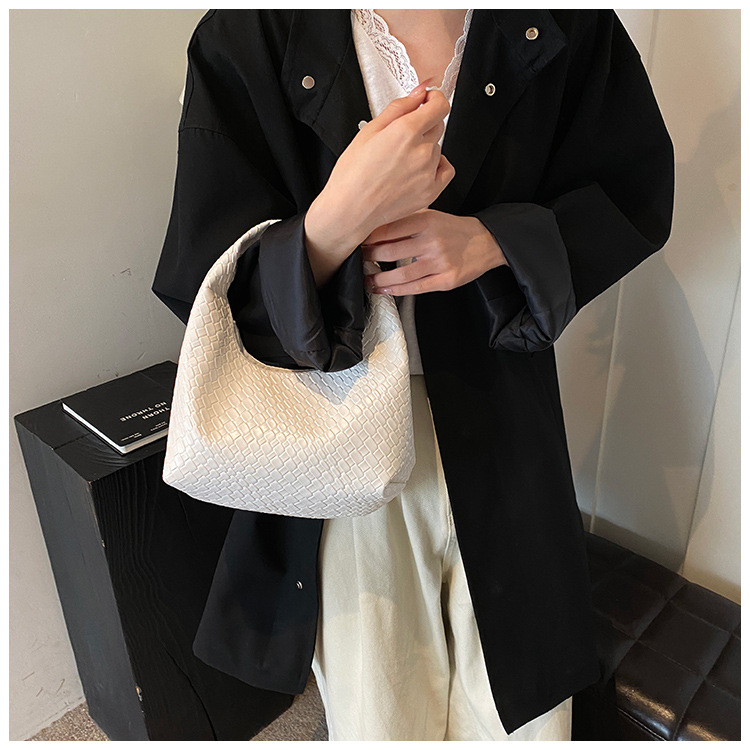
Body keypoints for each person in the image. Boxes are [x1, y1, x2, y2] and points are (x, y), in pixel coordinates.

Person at [152, 9, 675, 742]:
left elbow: (631, 189)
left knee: (522, 714)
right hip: (341, 429)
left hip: (507, 419)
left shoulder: (565, 20)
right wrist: (335, 222)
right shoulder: (252, 29)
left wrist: (495, 241)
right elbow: (206, 281)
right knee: (381, 713)